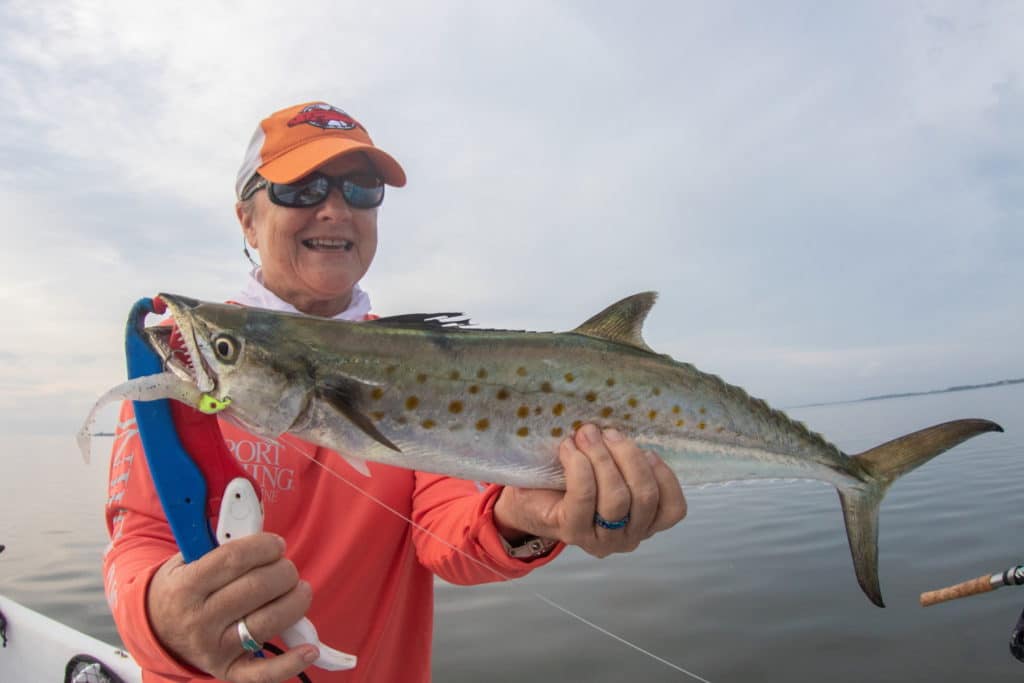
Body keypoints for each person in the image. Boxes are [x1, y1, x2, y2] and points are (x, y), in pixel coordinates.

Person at [104, 101, 687, 683]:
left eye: (360, 189)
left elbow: (448, 534)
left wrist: (526, 522)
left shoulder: (420, 364)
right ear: (247, 220)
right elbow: (137, 546)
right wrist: (163, 621)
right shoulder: (192, 362)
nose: (334, 210)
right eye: (301, 189)